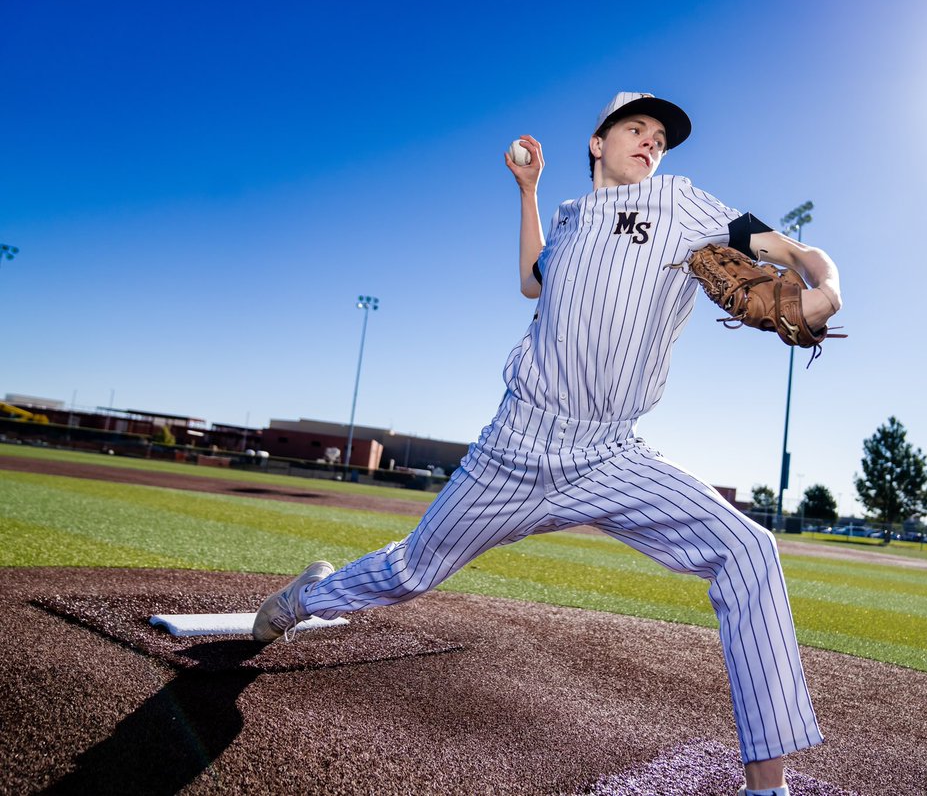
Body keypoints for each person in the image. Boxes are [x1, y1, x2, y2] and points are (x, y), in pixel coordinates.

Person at [254, 91, 843, 796]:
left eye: (660, 136)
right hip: (516, 445)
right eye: (636, 128)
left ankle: (766, 788)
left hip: (610, 455)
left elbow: (787, 249)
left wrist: (822, 281)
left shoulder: (682, 204)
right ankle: (305, 599)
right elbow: (533, 281)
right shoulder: (566, 222)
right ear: (597, 143)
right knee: (412, 569)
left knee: (750, 550)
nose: (651, 142)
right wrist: (529, 191)